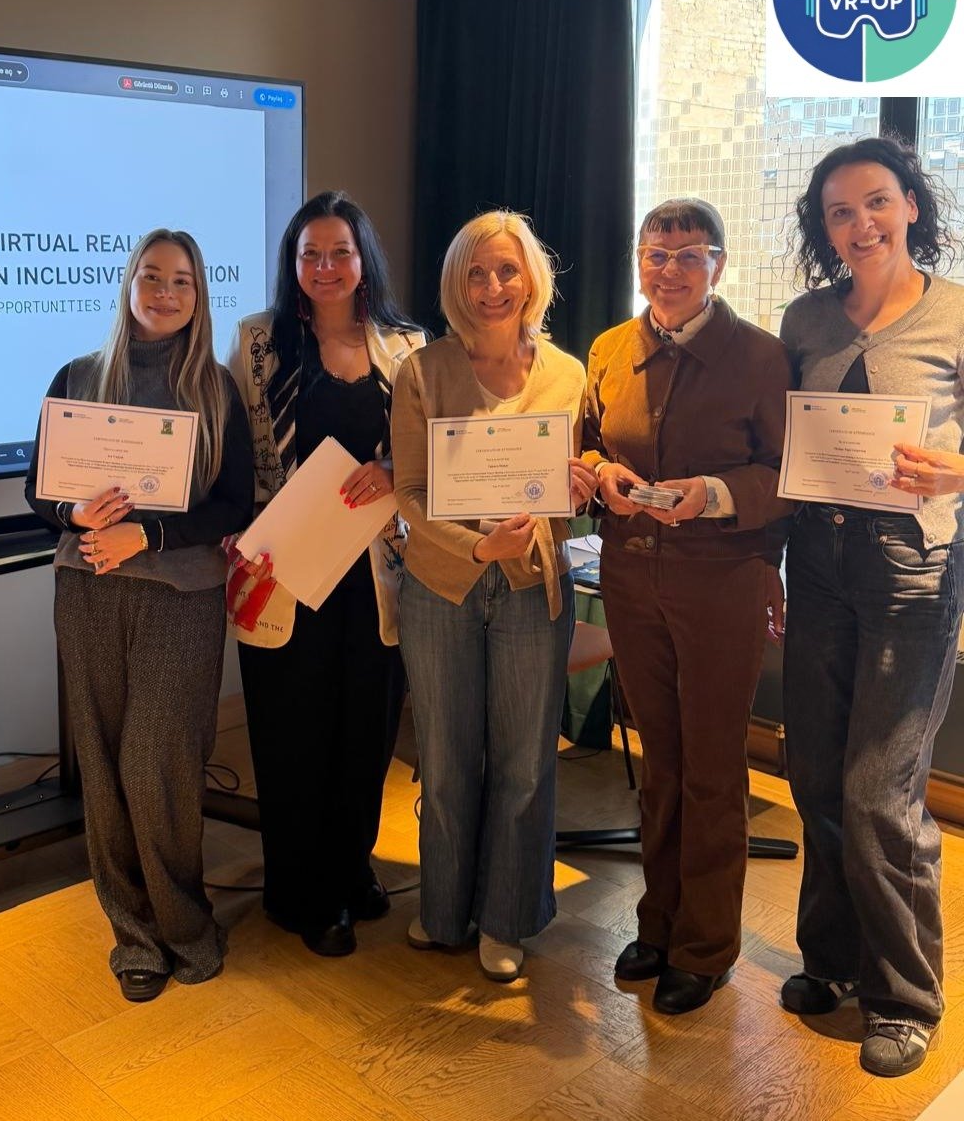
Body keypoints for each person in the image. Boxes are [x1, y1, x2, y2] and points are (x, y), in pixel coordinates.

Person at [25, 228, 253, 1002]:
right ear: (128, 285)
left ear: (199, 296)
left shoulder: (216, 389)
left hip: (179, 597)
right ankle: (134, 935)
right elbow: (38, 490)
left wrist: (147, 533)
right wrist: (73, 512)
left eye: (182, 280)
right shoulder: (78, 376)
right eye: (152, 276)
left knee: (161, 764)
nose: (165, 291)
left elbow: (234, 504)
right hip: (87, 589)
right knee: (101, 762)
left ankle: (185, 924)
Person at [779, 136, 964, 1077]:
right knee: (815, 775)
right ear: (824, 227)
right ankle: (835, 960)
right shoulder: (805, 319)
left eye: (877, 202)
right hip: (818, 565)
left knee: (879, 794)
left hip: (912, 575)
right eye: (841, 211)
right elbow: (787, 445)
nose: (861, 224)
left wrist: (957, 468)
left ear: (912, 205)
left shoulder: (956, 313)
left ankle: (905, 998)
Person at [582, 197, 791, 1014]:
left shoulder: (762, 357)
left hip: (723, 582)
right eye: (655, 254)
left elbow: (786, 474)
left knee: (710, 768)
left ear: (718, 265)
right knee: (659, 761)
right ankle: (658, 921)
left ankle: (705, 946)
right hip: (631, 579)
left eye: (688, 254)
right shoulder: (609, 348)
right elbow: (587, 442)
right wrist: (600, 471)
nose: (669, 270)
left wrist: (713, 493)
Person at [391, 209, 595, 983]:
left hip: (532, 588)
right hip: (441, 586)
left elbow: (567, 485)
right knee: (445, 764)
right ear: (457, 283)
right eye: (475, 272)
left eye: (506, 269)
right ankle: (444, 909)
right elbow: (409, 494)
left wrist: (576, 487)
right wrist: (476, 546)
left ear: (530, 278)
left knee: (525, 764)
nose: (492, 286)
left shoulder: (568, 374)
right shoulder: (422, 371)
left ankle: (506, 917)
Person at [225, 191, 426, 957]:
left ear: (363, 258)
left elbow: (429, 446)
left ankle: (349, 865)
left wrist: (395, 469)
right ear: (293, 263)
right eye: (310, 253)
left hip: (376, 573)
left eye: (341, 251)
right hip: (286, 570)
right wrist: (233, 526)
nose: (326, 266)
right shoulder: (258, 341)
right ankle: (302, 892)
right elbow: (235, 448)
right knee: (293, 733)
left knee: (366, 731)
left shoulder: (406, 346)